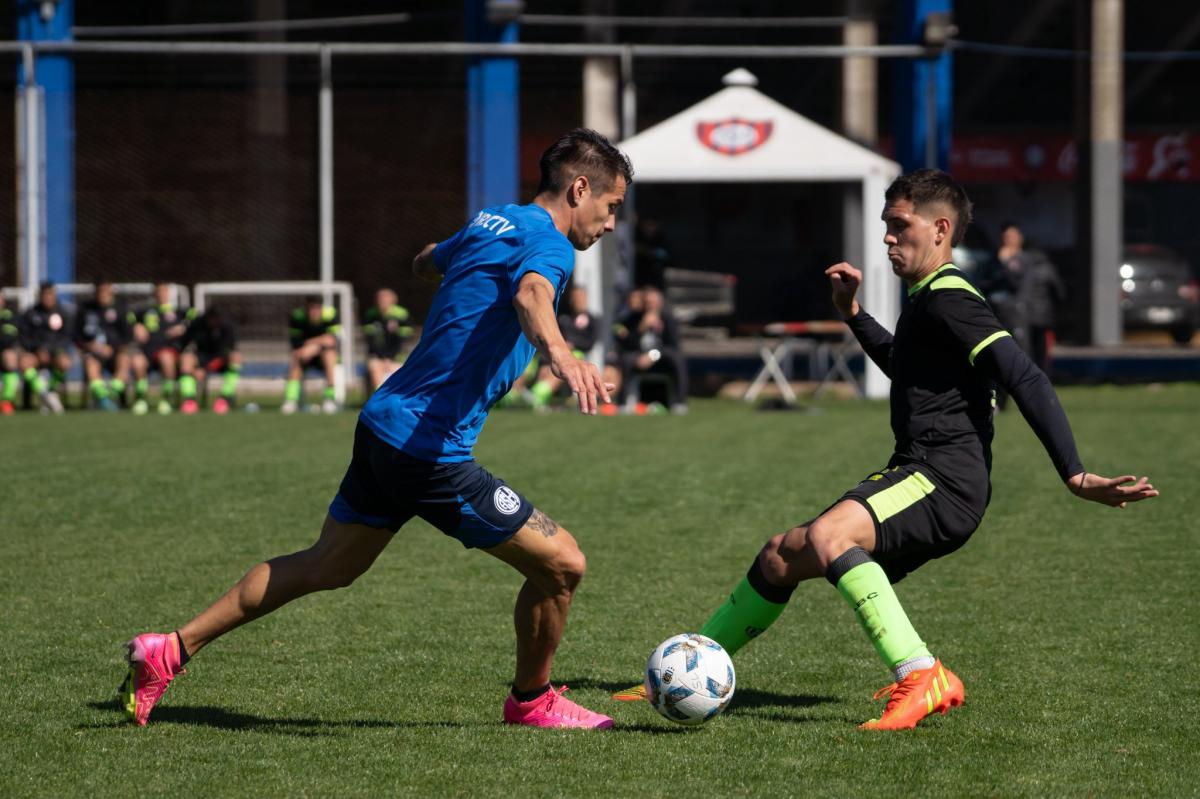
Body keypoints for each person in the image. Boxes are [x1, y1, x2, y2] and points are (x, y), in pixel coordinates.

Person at [120, 127, 633, 730]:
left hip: (384, 423)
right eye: (611, 207)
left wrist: (456, 277)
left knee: (328, 565)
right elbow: (531, 294)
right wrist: (561, 354)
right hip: (430, 449)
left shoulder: (493, 220)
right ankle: (532, 701)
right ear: (579, 188)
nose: (609, 223)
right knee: (562, 565)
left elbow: (426, 260)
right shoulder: (550, 248)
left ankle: (168, 650)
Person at [612, 169, 1158, 729]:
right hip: (919, 472)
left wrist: (1075, 474)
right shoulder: (927, 299)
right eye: (886, 226)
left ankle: (922, 673)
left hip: (943, 480)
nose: (888, 238)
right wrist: (852, 314)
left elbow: (1026, 376)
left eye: (900, 226)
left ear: (941, 229)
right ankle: (684, 671)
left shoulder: (950, 298)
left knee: (830, 536)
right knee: (781, 555)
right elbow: (908, 371)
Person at [614, 285, 689, 413]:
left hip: (661, 358)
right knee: (626, 359)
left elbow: (673, 344)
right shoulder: (634, 318)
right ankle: (623, 403)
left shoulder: (668, 318)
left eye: (653, 302)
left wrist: (653, 355)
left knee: (677, 359)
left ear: (660, 302)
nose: (650, 305)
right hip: (639, 357)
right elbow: (628, 343)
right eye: (647, 302)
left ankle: (679, 403)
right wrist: (641, 328)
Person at [526, 284, 596, 410]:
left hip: (575, 354)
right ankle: (525, 396)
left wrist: (572, 344)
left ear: (585, 298)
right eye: (574, 297)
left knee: (564, 365)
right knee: (542, 366)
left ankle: (538, 394)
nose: (577, 300)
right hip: (555, 352)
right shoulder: (563, 317)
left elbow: (590, 342)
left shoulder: (591, 320)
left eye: (579, 296)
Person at [131, 281, 195, 415]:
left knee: (166, 358)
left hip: (168, 351)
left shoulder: (177, 311)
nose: (162, 294)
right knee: (137, 361)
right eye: (159, 291)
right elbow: (128, 316)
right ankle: (141, 399)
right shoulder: (147, 310)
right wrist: (136, 326)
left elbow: (195, 316)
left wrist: (183, 326)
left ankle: (166, 398)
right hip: (148, 351)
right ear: (154, 294)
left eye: (165, 291)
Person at [75, 280, 134, 411]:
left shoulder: (121, 308)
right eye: (100, 291)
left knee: (124, 360)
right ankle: (103, 400)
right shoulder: (86, 309)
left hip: (115, 352)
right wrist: (90, 345)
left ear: (111, 290)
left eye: (105, 290)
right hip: (93, 352)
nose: (102, 294)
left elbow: (128, 336)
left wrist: (113, 347)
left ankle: (110, 395)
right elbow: (76, 335)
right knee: (90, 363)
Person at [178, 305, 242, 415]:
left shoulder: (228, 327)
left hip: (219, 359)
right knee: (186, 358)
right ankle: (189, 400)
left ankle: (224, 398)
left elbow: (227, 351)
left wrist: (205, 369)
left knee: (235, 357)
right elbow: (183, 344)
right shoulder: (197, 324)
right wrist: (196, 369)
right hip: (202, 357)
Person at [283, 296, 342, 415]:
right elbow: (295, 343)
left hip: (323, 357)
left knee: (330, 355)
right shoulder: (297, 317)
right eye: (311, 309)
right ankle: (291, 400)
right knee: (296, 358)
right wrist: (309, 347)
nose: (314, 312)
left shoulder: (330, 315)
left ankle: (329, 398)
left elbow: (332, 341)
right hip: (305, 357)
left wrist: (312, 346)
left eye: (317, 308)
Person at [18, 282, 72, 414]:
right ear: (40, 295)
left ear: (55, 295)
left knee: (65, 362)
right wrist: (38, 349)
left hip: (55, 354)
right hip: (35, 353)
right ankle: (46, 394)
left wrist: (51, 350)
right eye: (45, 294)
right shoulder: (30, 313)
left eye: (50, 294)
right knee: (24, 362)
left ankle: (51, 389)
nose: (48, 297)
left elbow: (66, 338)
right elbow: (23, 337)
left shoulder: (63, 313)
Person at [362, 288, 414, 395]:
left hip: (398, 356)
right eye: (380, 300)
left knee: (397, 371)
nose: (383, 302)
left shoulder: (401, 314)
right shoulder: (370, 315)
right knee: (374, 366)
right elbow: (371, 340)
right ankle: (379, 397)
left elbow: (402, 341)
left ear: (393, 301)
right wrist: (382, 357)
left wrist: (390, 358)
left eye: (385, 300)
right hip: (378, 355)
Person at [0, 293, 20, 415]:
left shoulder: (9, 315)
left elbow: (8, 337)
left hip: (2, 351)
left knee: (10, 357)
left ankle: (7, 401)